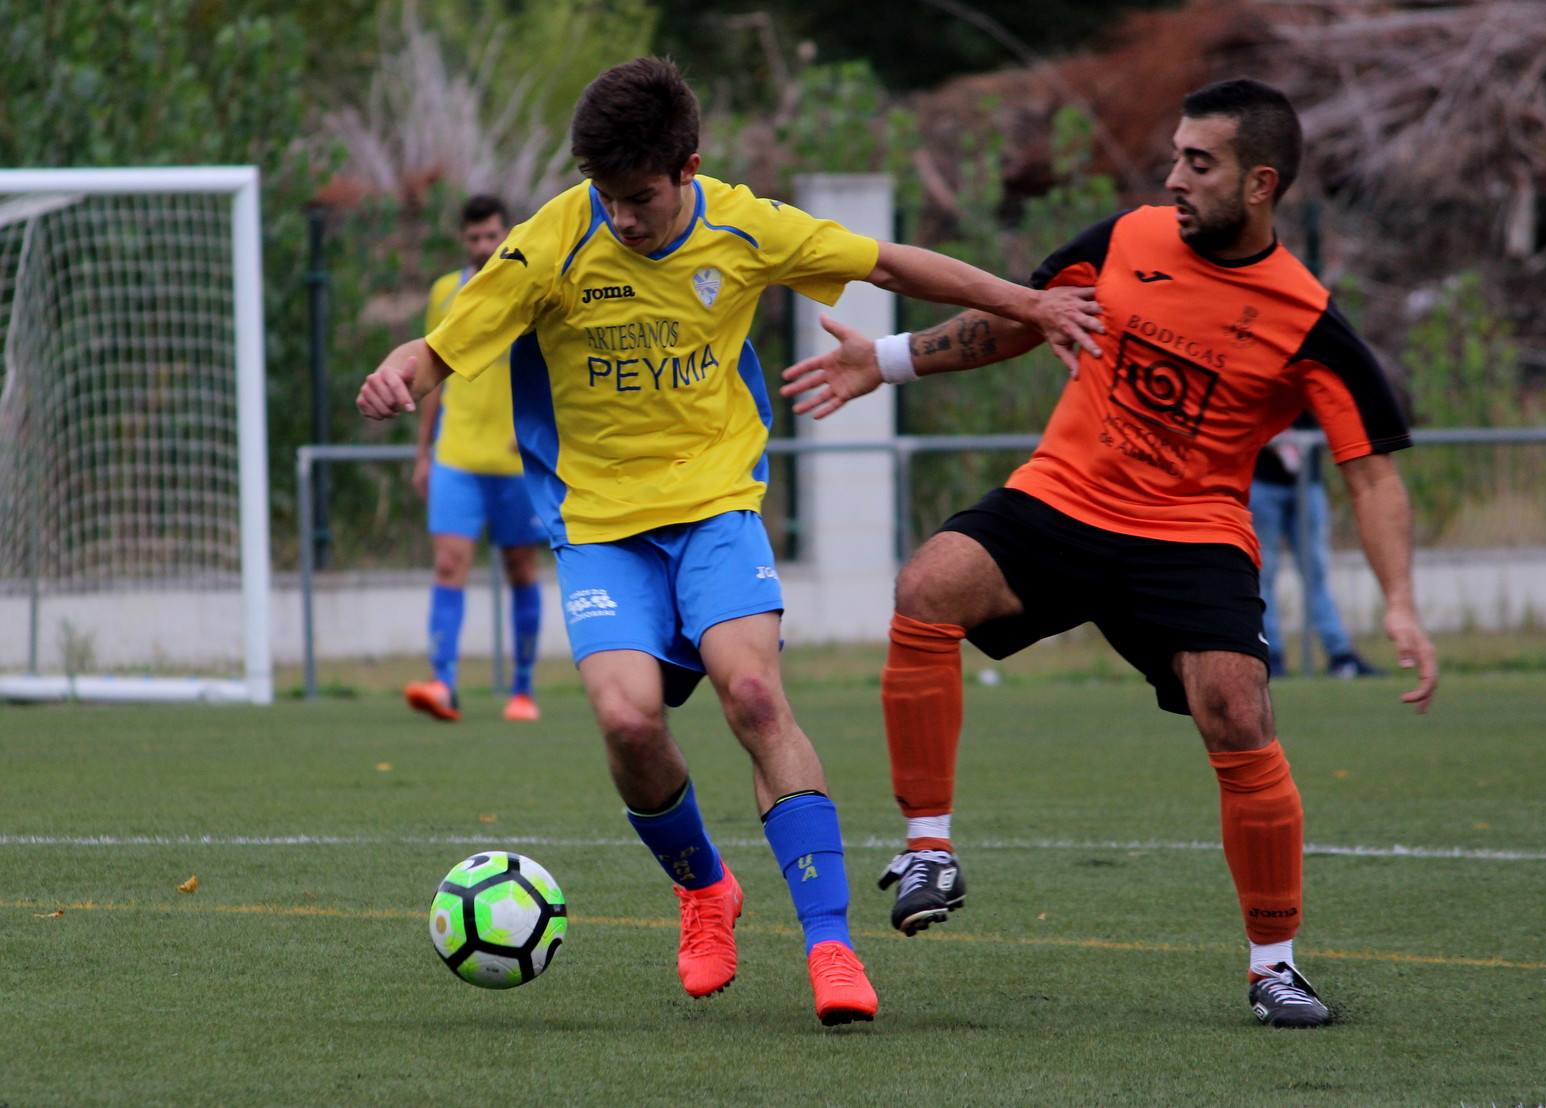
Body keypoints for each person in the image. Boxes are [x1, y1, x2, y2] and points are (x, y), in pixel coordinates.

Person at [357, 57, 1104, 1025]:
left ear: (688, 169)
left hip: (715, 507)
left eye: (639, 198)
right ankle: (705, 888)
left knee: (751, 693)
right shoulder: (549, 242)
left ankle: (830, 945)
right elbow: (442, 348)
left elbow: (887, 263)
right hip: (598, 526)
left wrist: (1028, 303)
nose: (621, 218)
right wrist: (399, 373)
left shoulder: (745, 227)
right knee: (627, 721)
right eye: (605, 195)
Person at [781, 77, 1438, 1028]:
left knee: (1238, 713)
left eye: (1199, 163)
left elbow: (1371, 476)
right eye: (1175, 156)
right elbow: (1026, 317)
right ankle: (928, 849)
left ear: (1260, 183)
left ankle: (1275, 967)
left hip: (1192, 534)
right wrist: (883, 361)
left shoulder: (1306, 318)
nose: (1174, 177)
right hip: (1063, 500)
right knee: (929, 584)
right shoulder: (1128, 237)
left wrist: (1401, 602)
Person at [406, 195, 548, 724]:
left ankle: (523, 688)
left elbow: (557, 366)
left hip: (516, 461)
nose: (484, 246)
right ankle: (443, 684)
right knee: (449, 564)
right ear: (463, 240)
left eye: (492, 235)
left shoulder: (532, 286)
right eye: (474, 238)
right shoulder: (446, 292)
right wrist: (423, 453)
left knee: (521, 568)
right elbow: (433, 372)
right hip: (457, 455)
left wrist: (536, 428)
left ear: (507, 234)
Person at [1251, 412, 1380, 678]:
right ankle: (1271, 654)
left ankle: (1340, 654)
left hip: (1307, 482)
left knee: (1316, 573)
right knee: (1263, 573)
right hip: (1262, 482)